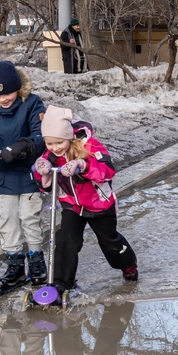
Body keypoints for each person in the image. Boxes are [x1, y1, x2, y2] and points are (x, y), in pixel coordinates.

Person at [32, 106, 137, 297]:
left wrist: (82, 164)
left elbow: (107, 170)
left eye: (59, 142)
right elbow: (45, 185)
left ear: (69, 136)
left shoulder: (90, 146)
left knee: (110, 242)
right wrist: (42, 169)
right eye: (49, 144)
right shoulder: (52, 154)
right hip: (72, 204)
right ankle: (61, 284)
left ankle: (128, 265)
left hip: (99, 204)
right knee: (66, 239)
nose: (55, 148)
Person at [0, 62, 48, 290]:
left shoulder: (32, 103)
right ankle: (15, 266)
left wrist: (22, 146)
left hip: (29, 172)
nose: (3, 99)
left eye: (8, 93)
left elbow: (39, 136)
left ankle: (36, 263)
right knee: (8, 220)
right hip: (4, 174)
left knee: (29, 217)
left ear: (18, 87)